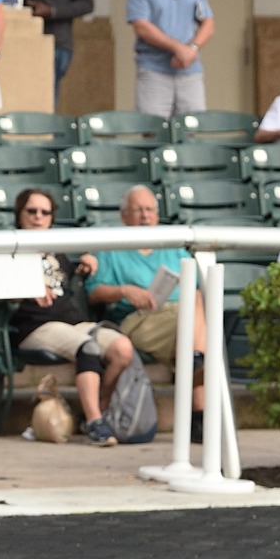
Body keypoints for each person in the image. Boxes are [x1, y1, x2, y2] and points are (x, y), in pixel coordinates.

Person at [8, 187, 136, 446]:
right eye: (31, 211)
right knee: (88, 348)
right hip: (36, 327)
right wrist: (26, 288)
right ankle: (95, 423)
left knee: (122, 348)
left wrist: (84, 265)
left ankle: (98, 409)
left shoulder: (58, 248)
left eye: (45, 212)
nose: (38, 217)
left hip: (73, 323)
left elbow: (70, 274)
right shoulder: (10, 248)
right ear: (19, 215)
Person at [85, 185, 206, 439]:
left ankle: (195, 361)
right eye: (138, 210)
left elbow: (195, 283)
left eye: (150, 209)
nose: (145, 216)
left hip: (179, 316)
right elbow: (94, 292)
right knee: (198, 330)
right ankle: (198, 413)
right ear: (124, 216)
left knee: (195, 303)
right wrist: (126, 291)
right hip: (137, 320)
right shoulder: (112, 248)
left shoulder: (172, 246)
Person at [126, 0, 214, 117]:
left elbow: (208, 22)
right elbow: (141, 26)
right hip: (154, 71)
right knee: (154, 132)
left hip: (189, 71)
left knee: (192, 131)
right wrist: (178, 48)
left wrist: (191, 49)